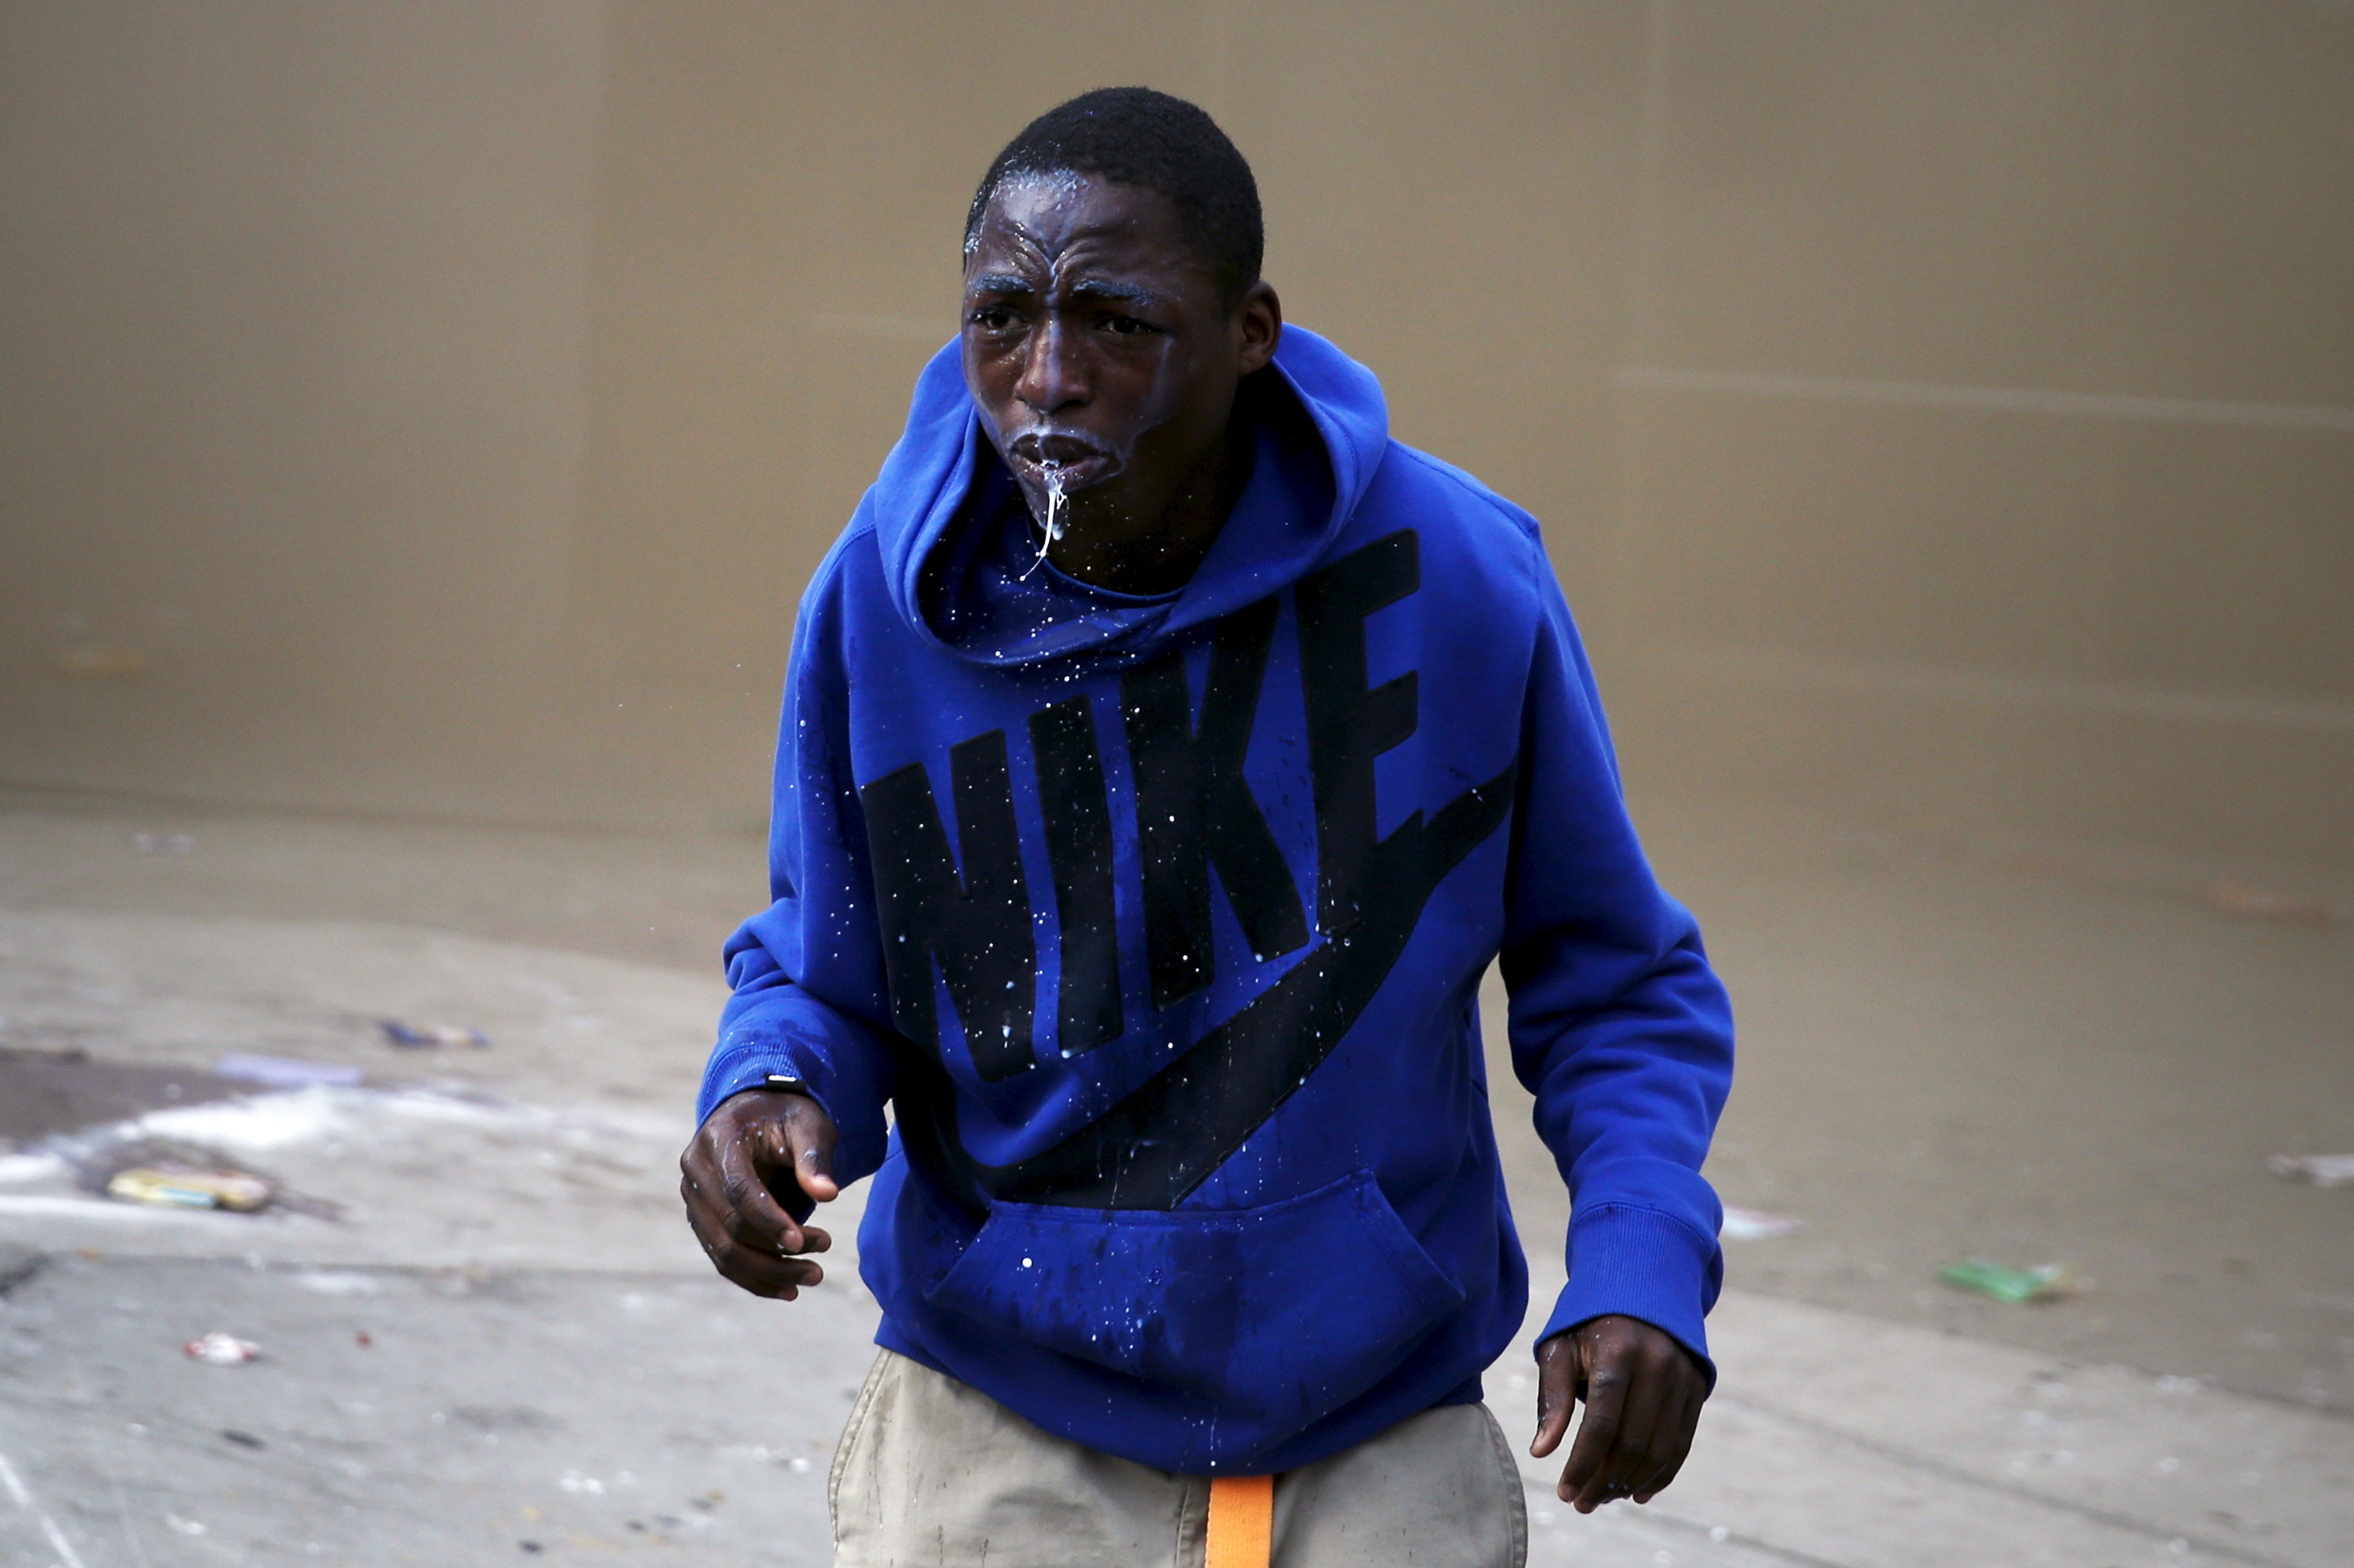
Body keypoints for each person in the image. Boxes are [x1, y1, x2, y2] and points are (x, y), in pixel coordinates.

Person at [680, 87, 1734, 1568]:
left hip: (1379, 1415)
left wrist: (1637, 1265)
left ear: (1252, 331)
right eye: (1002, 315)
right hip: (998, 1413)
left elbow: (1617, 982)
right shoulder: (876, 595)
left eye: (1116, 319)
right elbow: (824, 966)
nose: (1048, 375)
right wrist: (771, 1091)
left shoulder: (1458, 574)